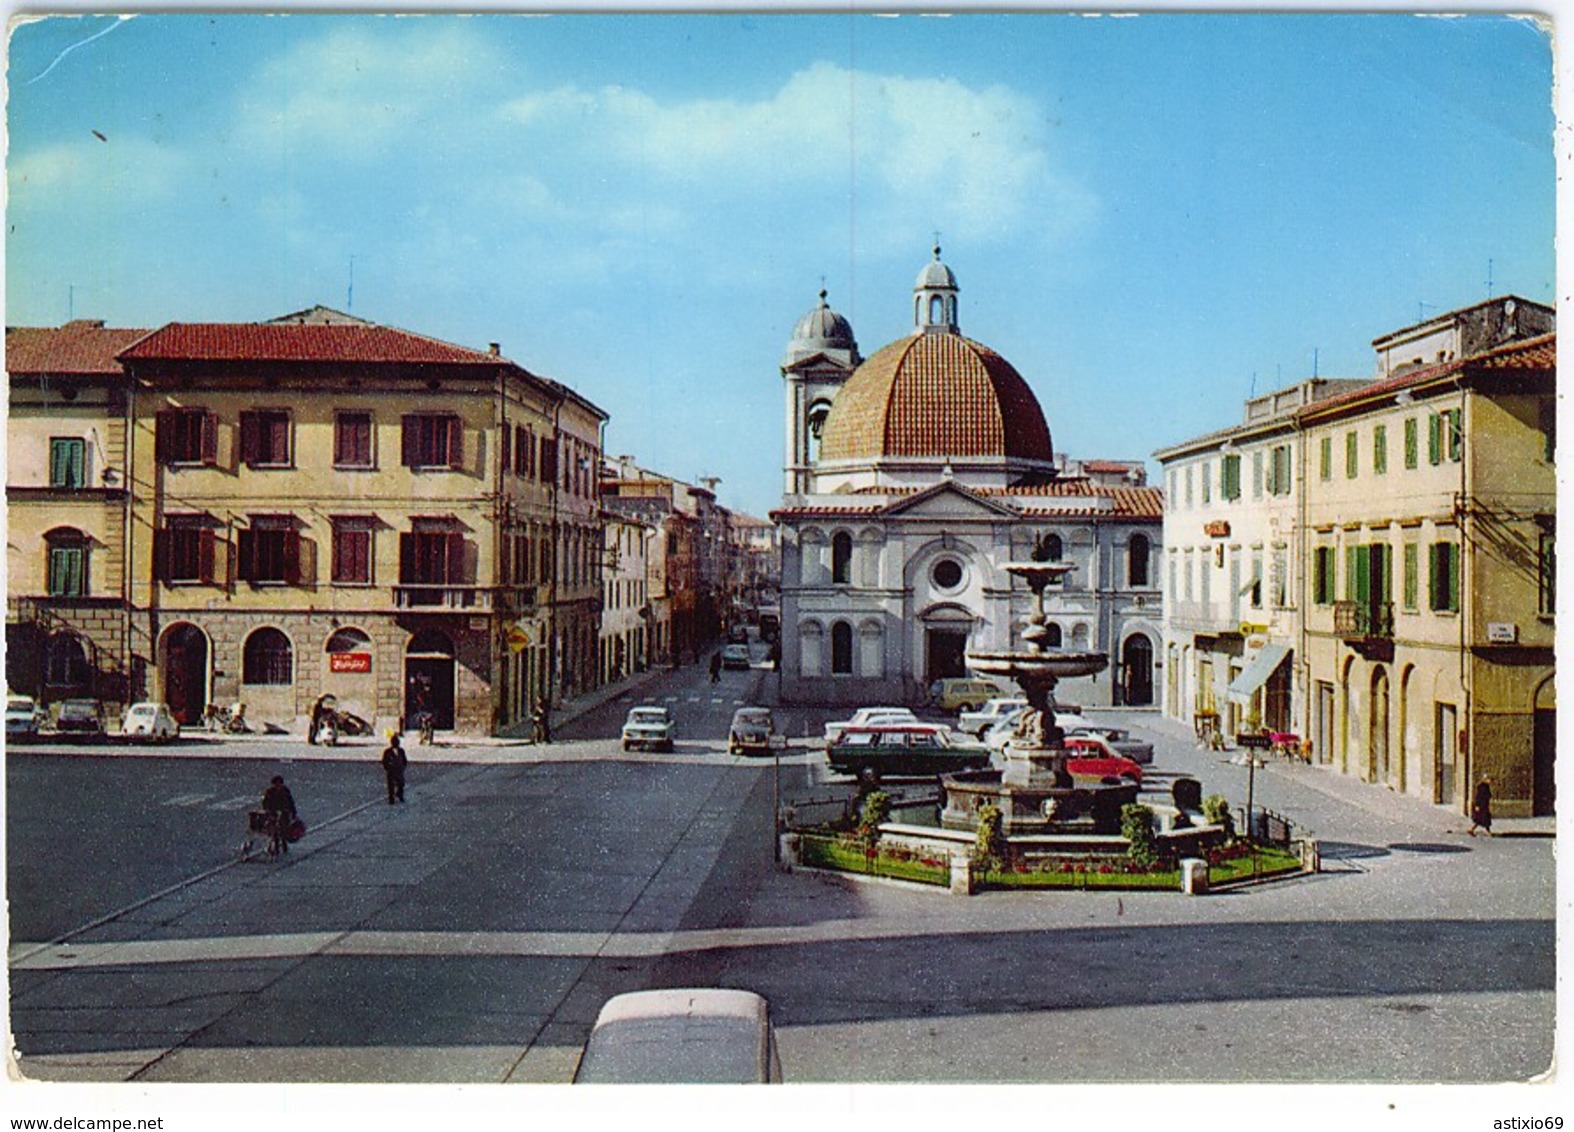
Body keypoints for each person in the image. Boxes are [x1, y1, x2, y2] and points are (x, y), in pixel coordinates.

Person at [261, 775, 298, 856]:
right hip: (274, 813)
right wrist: (268, 811)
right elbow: (265, 803)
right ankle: (277, 846)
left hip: (284, 813)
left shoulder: (285, 791)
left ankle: (284, 845)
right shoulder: (270, 792)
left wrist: (293, 812)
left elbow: (290, 802)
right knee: (275, 831)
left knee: (284, 830)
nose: (278, 785)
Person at [381, 732, 408, 804]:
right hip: (391, 770)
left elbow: (404, 760)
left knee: (401, 784)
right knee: (391, 785)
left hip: (399, 770)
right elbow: (384, 761)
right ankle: (391, 799)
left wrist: (403, 767)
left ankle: (400, 795)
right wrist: (387, 768)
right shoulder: (387, 752)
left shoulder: (401, 751)